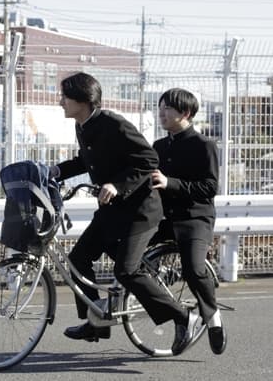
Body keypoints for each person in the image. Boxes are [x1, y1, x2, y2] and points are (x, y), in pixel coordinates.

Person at [50, 72, 200, 356]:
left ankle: (183, 316)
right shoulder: (83, 126)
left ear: (83, 100)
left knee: (126, 270)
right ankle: (97, 320)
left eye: (65, 97)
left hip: (141, 211)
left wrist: (117, 185)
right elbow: (87, 160)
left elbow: (149, 160)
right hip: (112, 210)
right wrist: (57, 171)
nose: (61, 102)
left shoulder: (114, 124)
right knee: (78, 259)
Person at [152, 88, 226, 355]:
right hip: (165, 218)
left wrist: (169, 182)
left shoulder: (203, 145)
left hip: (196, 218)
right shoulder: (159, 146)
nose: (162, 112)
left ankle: (213, 316)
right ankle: (177, 312)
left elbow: (209, 187)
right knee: (129, 257)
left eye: (168, 108)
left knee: (194, 269)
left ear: (186, 112)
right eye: (160, 107)